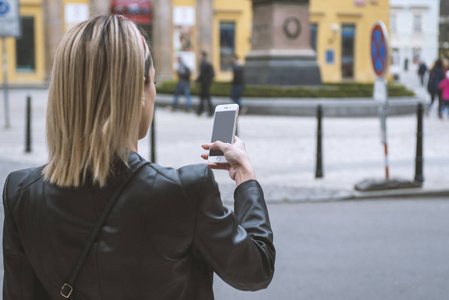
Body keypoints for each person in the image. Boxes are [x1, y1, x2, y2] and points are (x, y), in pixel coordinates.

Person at [2, 15, 275, 300]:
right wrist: (246, 179)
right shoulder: (185, 192)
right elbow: (256, 270)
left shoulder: (22, 193)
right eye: (153, 81)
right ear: (139, 90)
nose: (155, 93)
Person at [196, 51, 215, 116]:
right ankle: (200, 111)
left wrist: (196, 81)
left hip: (205, 84)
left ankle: (209, 111)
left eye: (200, 55)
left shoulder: (204, 64)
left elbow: (202, 75)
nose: (199, 56)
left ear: (203, 56)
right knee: (203, 98)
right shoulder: (205, 63)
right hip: (205, 83)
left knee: (206, 98)